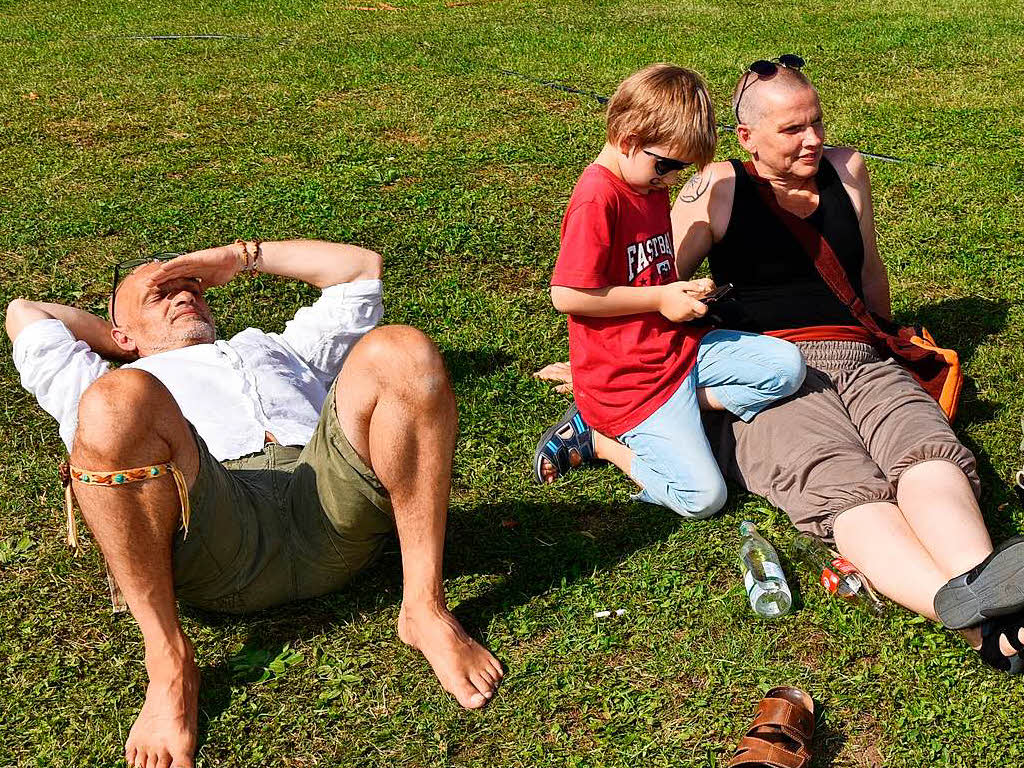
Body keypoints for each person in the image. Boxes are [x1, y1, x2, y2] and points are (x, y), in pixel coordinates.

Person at [6, 239, 503, 768]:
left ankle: (424, 609)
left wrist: (237, 258)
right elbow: (24, 312)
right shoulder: (98, 378)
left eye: (188, 286)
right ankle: (170, 662)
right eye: (160, 294)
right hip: (218, 529)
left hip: (327, 498)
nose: (181, 295)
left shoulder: (277, 347)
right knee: (114, 401)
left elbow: (360, 271)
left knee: (401, 347)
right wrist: (117, 339)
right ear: (122, 333)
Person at [665, 57, 1024, 671]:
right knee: (841, 489)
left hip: (858, 352)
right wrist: (605, 368)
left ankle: (986, 599)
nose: (812, 139)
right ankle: (994, 631)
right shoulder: (715, 188)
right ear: (746, 137)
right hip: (767, 368)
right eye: (791, 130)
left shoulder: (846, 168)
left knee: (925, 451)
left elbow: (868, 270)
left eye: (817, 122)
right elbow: (654, 287)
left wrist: (889, 335)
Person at [534, 63, 805, 521]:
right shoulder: (599, 196)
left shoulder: (647, 183)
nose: (671, 178)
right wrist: (660, 299)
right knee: (703, 498)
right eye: (666, 165)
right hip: (632, 380)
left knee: (788, 367)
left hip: (676, 351)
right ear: (629, 141)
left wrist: (682, 290)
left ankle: (681, 406)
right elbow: (569, 294)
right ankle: (601, 439)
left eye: (680, 169)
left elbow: (649, 272)